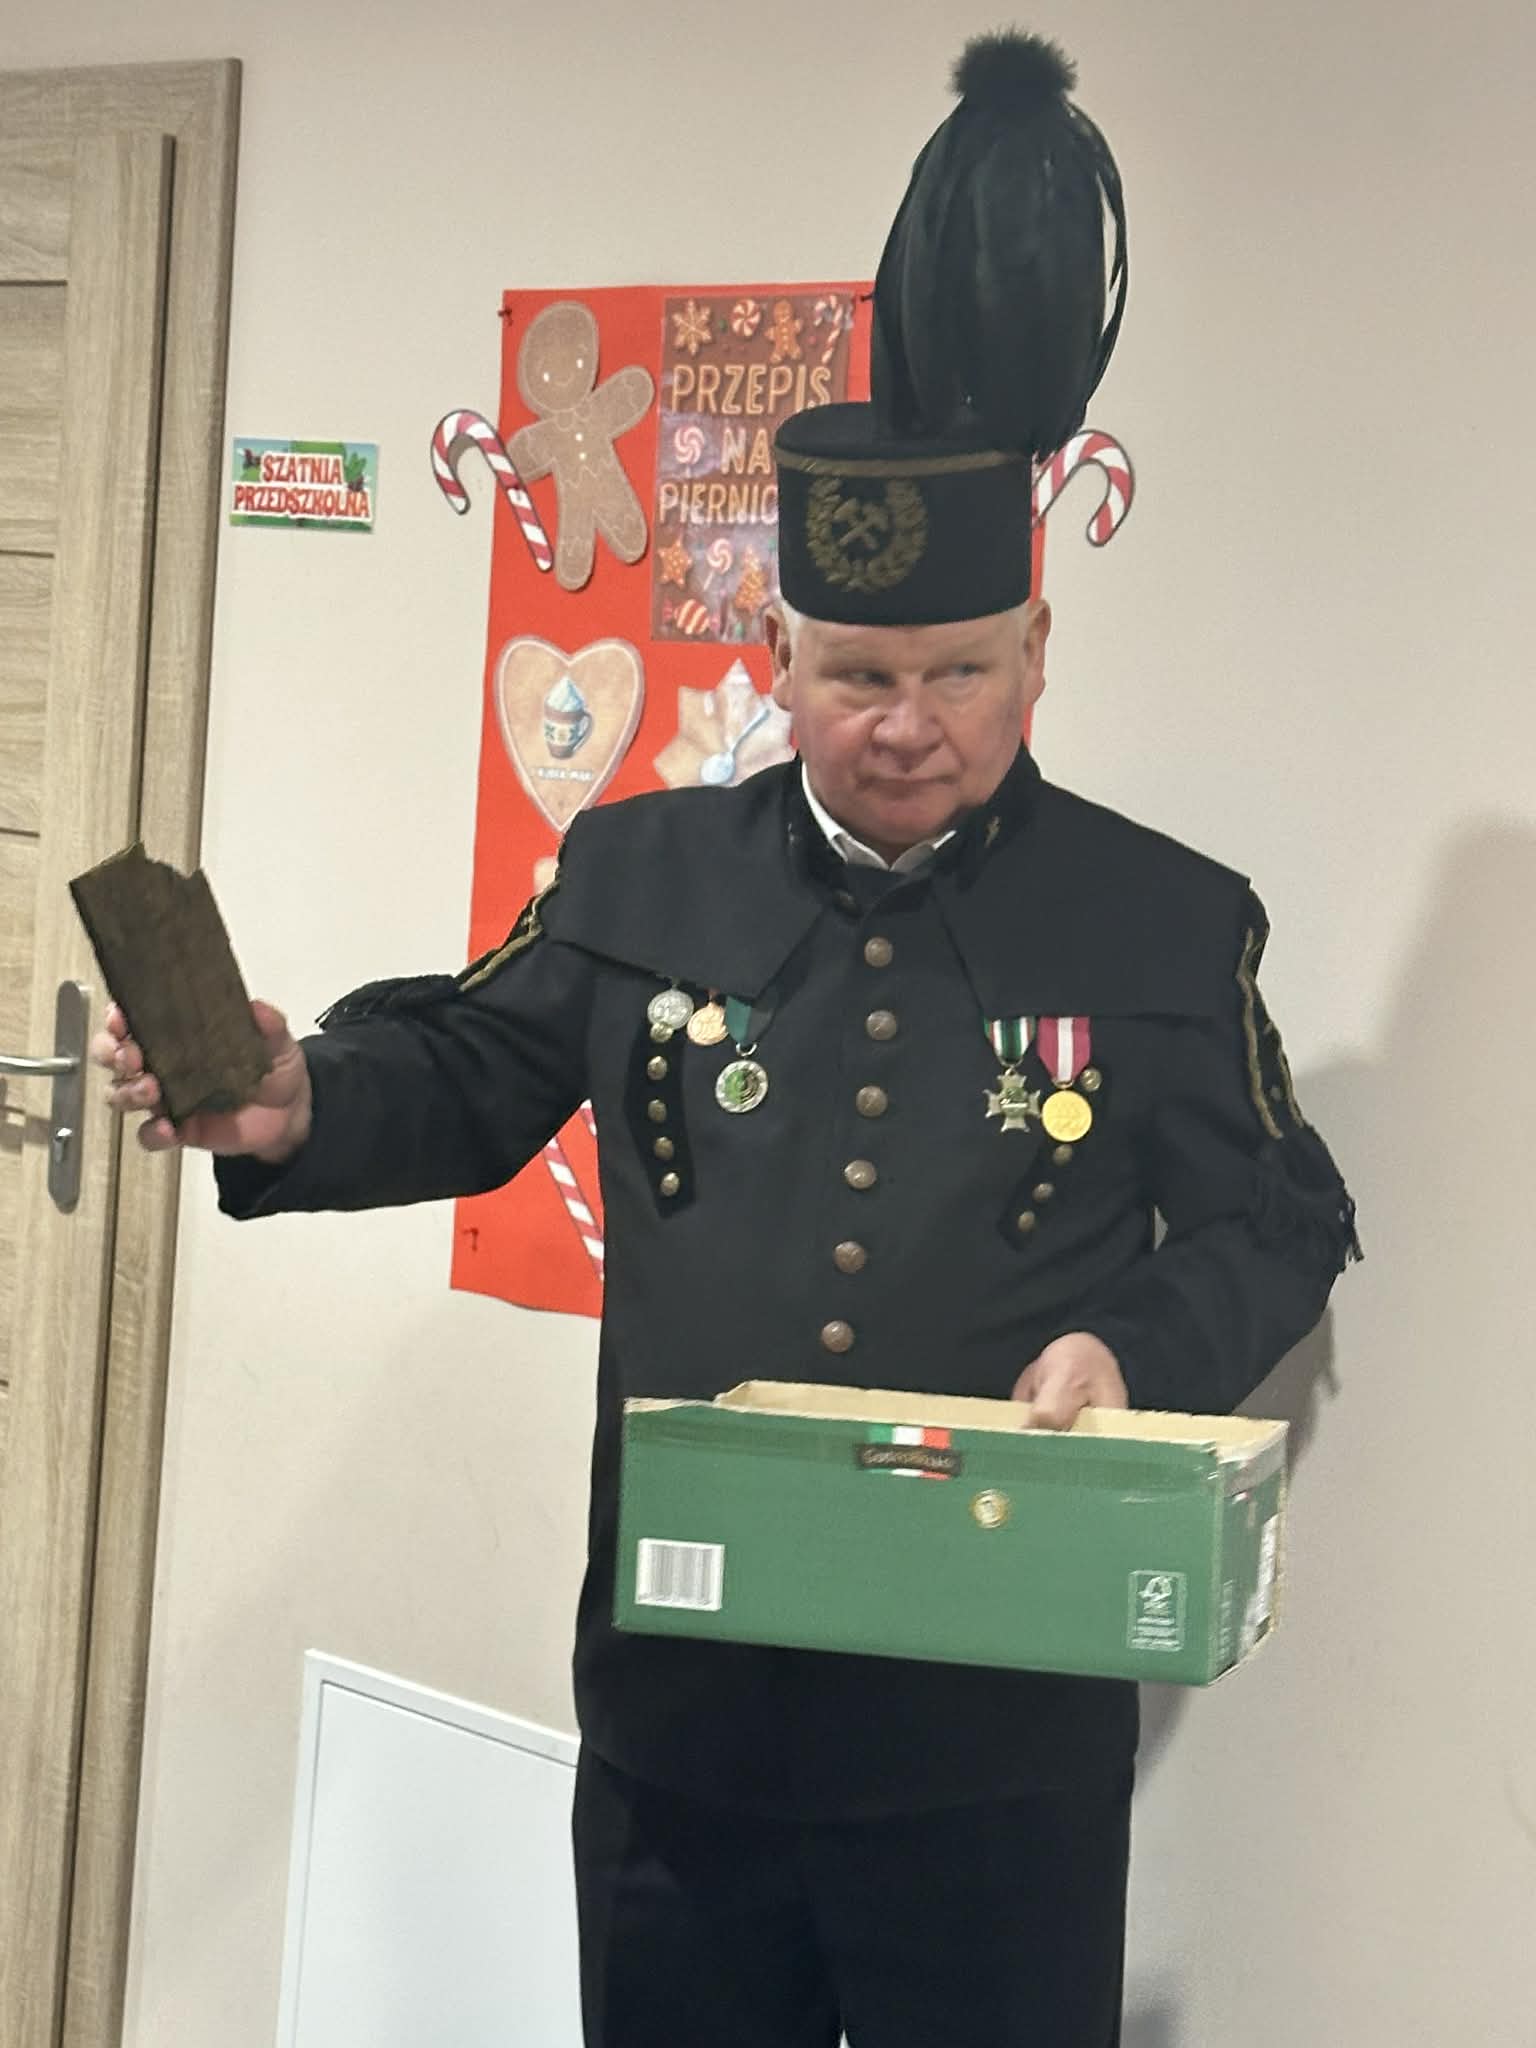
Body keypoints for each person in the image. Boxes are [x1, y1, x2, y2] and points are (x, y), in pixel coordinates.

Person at [95, 33, 1358, 2048]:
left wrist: (1134, 1350)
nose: (910, 725)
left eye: (961, 672)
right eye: (858, 674)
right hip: (685, 1735)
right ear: (778, 651)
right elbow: (471, 1070)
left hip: (998, 1757)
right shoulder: (643, 867)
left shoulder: (1162, 921)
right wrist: (295, 1091)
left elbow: (1280, 1220)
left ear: (1038, 651)